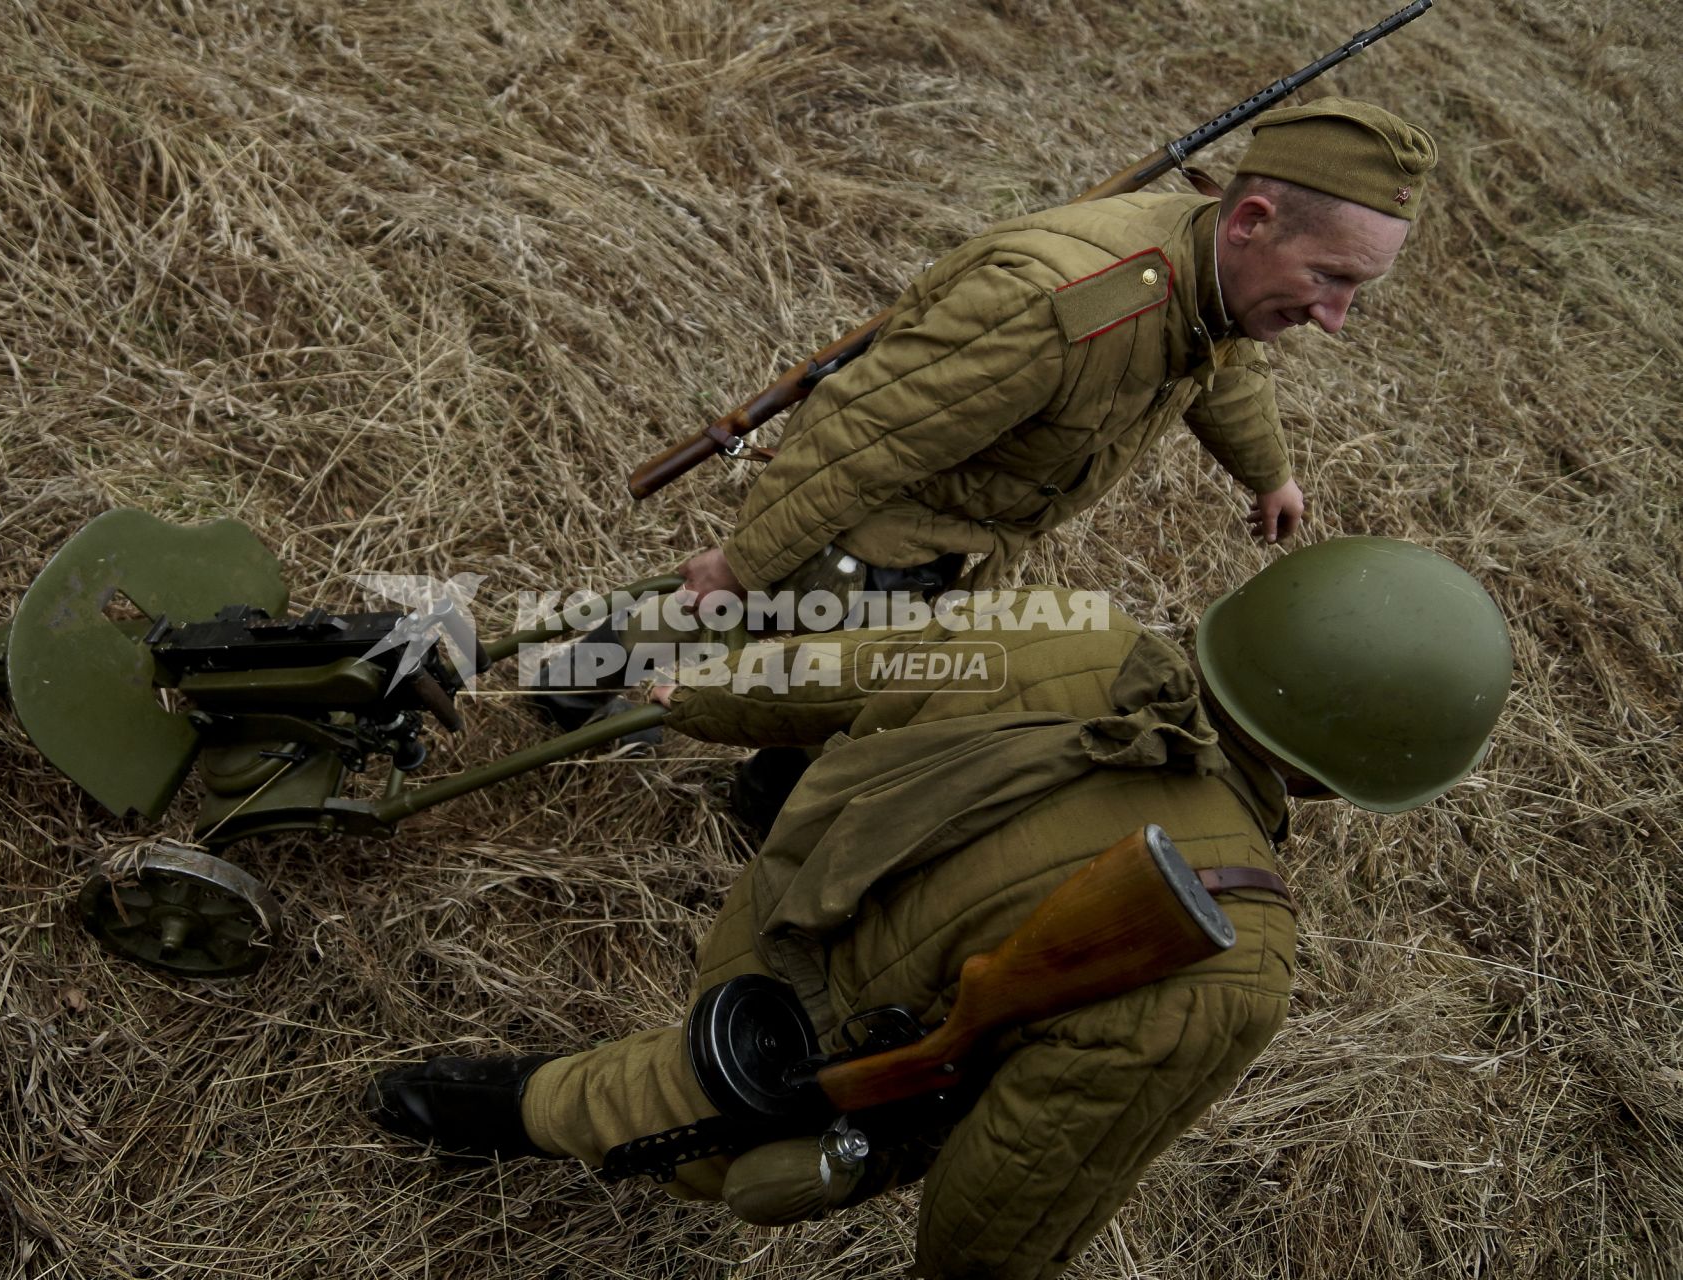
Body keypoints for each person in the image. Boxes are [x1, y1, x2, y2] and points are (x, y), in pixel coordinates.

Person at [366, 537, 1513, 1279]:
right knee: (648, 1108)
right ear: (1361, 774)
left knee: (666, 1076)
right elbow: (1016, 1184)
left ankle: (461, 1097)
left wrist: (698, 694)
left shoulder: (1081, 628)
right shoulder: (1223, 958)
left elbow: (852, 667)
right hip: (812, 1049)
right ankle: (455, 1104)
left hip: (780, 907)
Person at [674, 98, 1439, 608]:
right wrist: (743, 564)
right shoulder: (1063, 311)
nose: (1335, 319)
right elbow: (864, 438)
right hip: (876, 542)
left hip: (956, 542)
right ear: (1251, 222)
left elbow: (1227, 368)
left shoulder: (1217, 274)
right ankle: (581, 683)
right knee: (794, 672)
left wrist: (1270, 474)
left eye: (1356, 289)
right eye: (1328, 277)